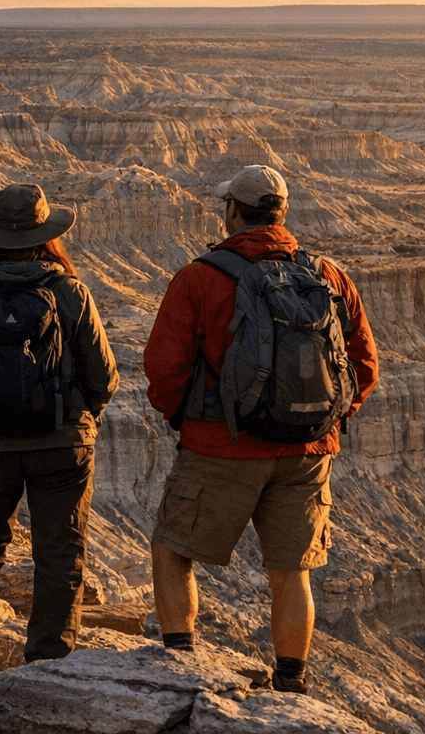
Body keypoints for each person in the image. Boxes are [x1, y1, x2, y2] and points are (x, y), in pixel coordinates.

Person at [143, 164, 378, 694]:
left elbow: (165, 366)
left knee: (173, 547)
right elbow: (363, 365)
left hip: (221, 446)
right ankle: (291, 683)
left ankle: (180, 664)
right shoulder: (328, 275)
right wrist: (329, 420)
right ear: (282, 211)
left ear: (231, 211)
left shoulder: (199, 278)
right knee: (291, 570)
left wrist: (183, 419)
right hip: (308, 449)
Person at [0, 183, 119, 693]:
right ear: (45, 236)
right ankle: (47, 666)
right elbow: (105, 377)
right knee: (59, 554)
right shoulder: (69, 291)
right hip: (62, 445)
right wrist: (81, 422)